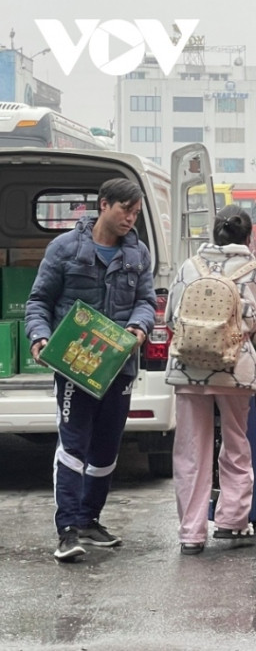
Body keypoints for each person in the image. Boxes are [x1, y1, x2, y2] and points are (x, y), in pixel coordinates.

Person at [25, 178, 156, 562]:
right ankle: (67, 530)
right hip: (75, 365)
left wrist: (139, 327)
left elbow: (146, 301)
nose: (130, 219)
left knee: (106, 448)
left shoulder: (138, 254)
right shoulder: (64, 249)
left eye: (135, 212)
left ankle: (89, 520)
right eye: (124, 210)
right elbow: (39, 301)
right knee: (73, 445)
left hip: (120, 366)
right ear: (104, 205)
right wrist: (40, 338)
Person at [164, 205, 256, 555]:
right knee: (235, 443)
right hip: (235, 371)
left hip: (188, 370)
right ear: (249, 236)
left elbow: (171, 319)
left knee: (190, 451)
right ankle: (231, 521)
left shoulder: (188, 268)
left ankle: (191, 534)